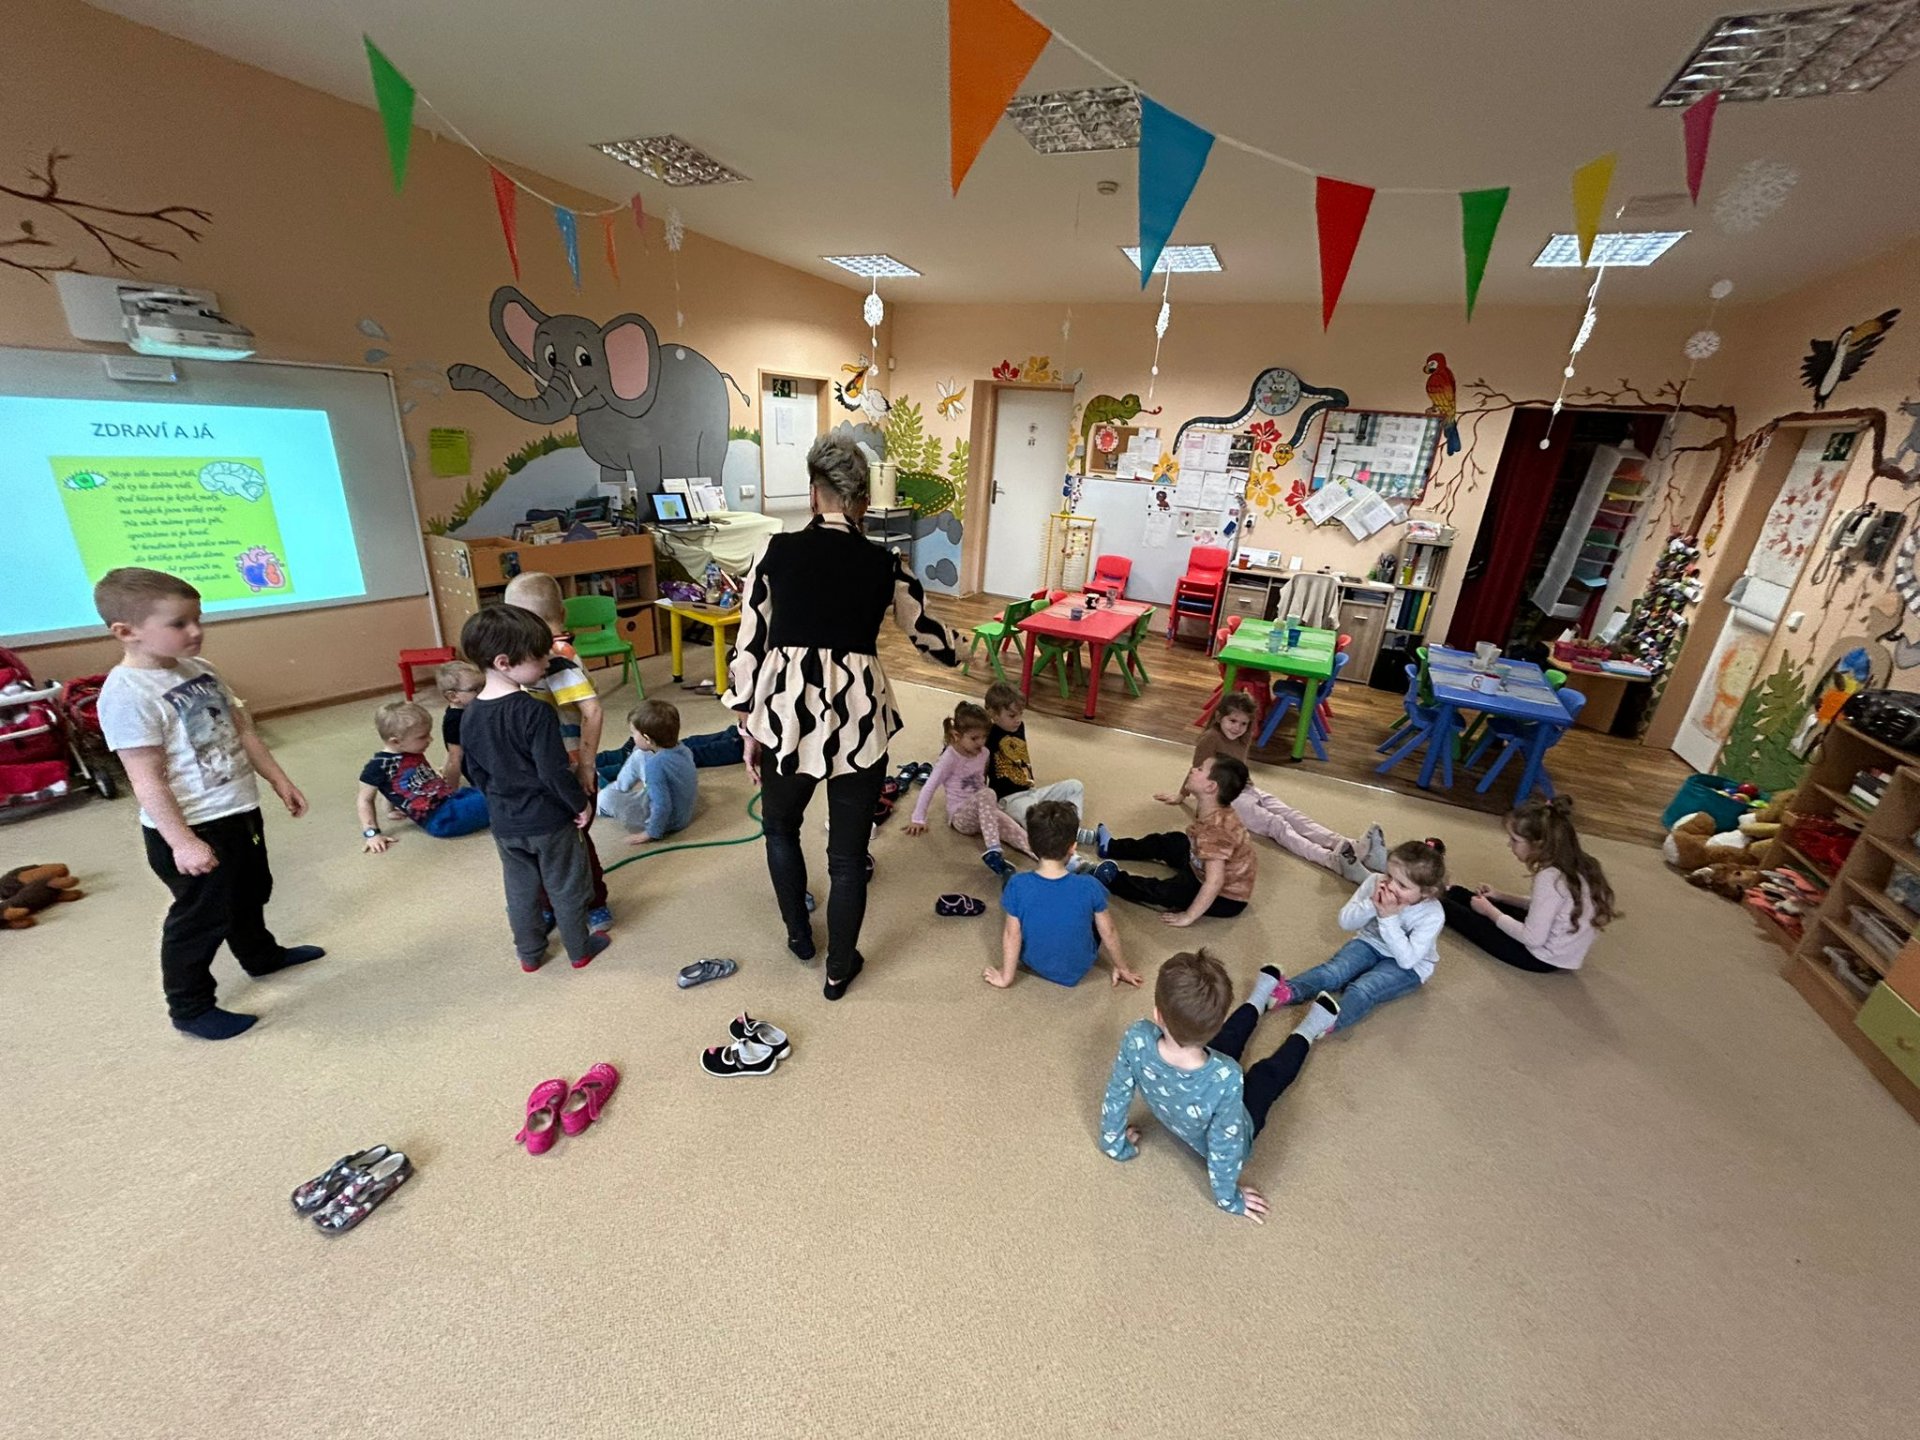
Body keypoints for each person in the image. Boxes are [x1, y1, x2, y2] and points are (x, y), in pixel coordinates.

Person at [725, 433, 965, 1000]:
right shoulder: (886, 563)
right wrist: (963, 650)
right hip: (859, 717)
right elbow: (927, 635)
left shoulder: (773, 551)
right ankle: (838, 968)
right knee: (849, 858)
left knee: (780, 828)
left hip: (785, 714)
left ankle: (798, 937)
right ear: (861, 501)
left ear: (814, 494)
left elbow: (749, 645)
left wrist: (747, 720)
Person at [92, 566, 321, 1040]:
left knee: (251, 890)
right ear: (126, 632)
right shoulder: (127, 694)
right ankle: (190, 1007)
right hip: (192, 828)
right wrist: (183, 842)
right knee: (201, 918)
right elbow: (147, 780)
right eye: (179, 623)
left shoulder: (202, 670)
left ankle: (260, 955)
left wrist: (278, 780)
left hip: (237, 810)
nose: (196, 631)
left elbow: (242, 732)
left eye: (198, 619)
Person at [1098, 950, 1340, 1220]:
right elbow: (1226, 1143)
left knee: (1231, 1038)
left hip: (1188, 1100)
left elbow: (1117, 1091)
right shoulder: (1227, 1075)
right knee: (1267, 1076)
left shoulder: (1137, 1037)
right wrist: (1228, 1199)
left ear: (1157, 1014)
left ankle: (1259, 999)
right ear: (1215, 1027)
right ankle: (1310, 1029)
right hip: (1237, 1127)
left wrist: (1112, 1142)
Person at [457, 604, 607, 973]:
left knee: (520, 891)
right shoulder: (535, 711)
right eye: (538, 656)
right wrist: (580, 804)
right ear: (504, 662)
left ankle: (529, 953)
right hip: (548, 821)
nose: (546, 662)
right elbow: (553, 771)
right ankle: (579, 949)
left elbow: (473, 770)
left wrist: (499, 802)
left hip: (505, 822)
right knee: (566, 885)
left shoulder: (469, 713)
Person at [1160, 693, 1384, 882]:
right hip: (1227, 798)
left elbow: (1241, 766)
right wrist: (1181, 795)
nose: (1237, 728)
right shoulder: (1211, 738)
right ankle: (1330, 860)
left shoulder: (1243, 737)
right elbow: (1196, 770)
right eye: (1232, 721)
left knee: (1291, 814)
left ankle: (1348, 846)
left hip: (1246, 789)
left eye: (1243, 723)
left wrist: (1250, 788)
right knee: (1277, 825)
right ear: (1219, 717)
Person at [501, 573, 612, 933]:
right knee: (547, 840)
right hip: (541, 764)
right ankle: (552, 902)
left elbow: (592, 710)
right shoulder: (525, 655)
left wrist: (587, 765)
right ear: (562, 611)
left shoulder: (558, 657)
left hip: (567, 765)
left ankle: (594, 901)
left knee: (573, 841)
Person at [1267, 838, 1449, 1030]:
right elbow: (1345, 922)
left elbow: (1407, 960)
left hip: (1410, 965)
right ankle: (1290, 990)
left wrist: (1388, 917)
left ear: (1427, 892)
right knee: (1335, 971)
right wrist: (1372, 904)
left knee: (1364, 987)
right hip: (1370, 942)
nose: (1390, 886)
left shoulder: (1433, 914)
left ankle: (1330, 1021)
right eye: (1389, 875)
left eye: (1402, 886)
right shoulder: (1375, 882)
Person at [1442, 797, 1615, 972]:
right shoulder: (1579, 864)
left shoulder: (1550, 878)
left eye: (1515, 840)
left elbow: (1532, 938)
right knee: (1463, 895)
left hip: (1539, 958)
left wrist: (1489, 911)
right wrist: (1500, 896)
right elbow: (1544, 906)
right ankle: (1452, 892)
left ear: (1539, 844)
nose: (1509, 844)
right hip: (1558, 950)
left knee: (1459, 914)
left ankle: (1440, 898)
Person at [986, 800, 1137, 990]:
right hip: (1081, 964)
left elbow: (1012, 934)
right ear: (1073, 847)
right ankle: (1098, 875)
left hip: (1034, 961)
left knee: (1014, 892)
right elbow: (1109, 931)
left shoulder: (1018, 884)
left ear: (1031, 846)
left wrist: (1006, 977)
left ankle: (1006, 871)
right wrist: (1122, 967)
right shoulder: (1089, 886)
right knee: (1094, 905)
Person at [1092, 754, 1257, 926]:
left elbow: (1215, 882)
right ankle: (1112, 847)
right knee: (1173, 841)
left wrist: (1189, 916)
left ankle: (1113, 879)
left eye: (1200, 769)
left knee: (1168, 892)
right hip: (1200, 863)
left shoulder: (1215, 832)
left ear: (1210, 787)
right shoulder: (1212, 808)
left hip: (1224, 897)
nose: (1193, 769)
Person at [906, 700, 1035, 878]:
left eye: (984, 737)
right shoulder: (949, 757)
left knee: (1016, 830)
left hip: (984, 810)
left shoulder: (985, 753)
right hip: (960, 816)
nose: (981, 742)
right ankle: (994, 850)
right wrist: (918, 818)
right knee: (988, 793)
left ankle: (1058, 859)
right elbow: (930, 786)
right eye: (974, 738)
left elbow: (982, 779)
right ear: (957, 735)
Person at [357, 700, 490, 851]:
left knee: (490, 789)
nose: (430, 740)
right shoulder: (376, 767)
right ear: (396, 741)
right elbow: (364, 800)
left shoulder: (410, 751)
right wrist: (372, 834)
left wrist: (390, 810)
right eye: (422, 737)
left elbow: (392, 784)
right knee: (498, 799)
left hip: (452, 800)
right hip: (442, 818)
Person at [982, 681, 1095, 832]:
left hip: (1031, 792)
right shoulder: (988, 735)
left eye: (1021, 714)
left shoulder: (1019, 726)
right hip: (1008, 800)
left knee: (1075, 786)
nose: (1018, 719)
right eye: (1012, 715)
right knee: (1032, 819)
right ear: (993, 714)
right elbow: (980, 768)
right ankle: (1055, 835)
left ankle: (1073, 829)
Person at [597, 699, 697, 845]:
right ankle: (619, 786)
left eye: (633, 733)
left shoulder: (655, 765)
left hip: (668, 821)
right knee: (639, 754)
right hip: (682, 811)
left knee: (605, 797)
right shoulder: (683, 749)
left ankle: (604, 794)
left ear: (647, 738)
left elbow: (662, 805)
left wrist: (651, 832)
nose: (632, 737)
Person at [435, 658, 483, 791]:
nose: (482, 692)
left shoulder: (472, 709)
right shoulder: (454, 721)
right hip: (478, 772)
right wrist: (451, 792)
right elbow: (454, 758)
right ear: (453, 697)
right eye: (475, 689)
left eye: (483, 686)